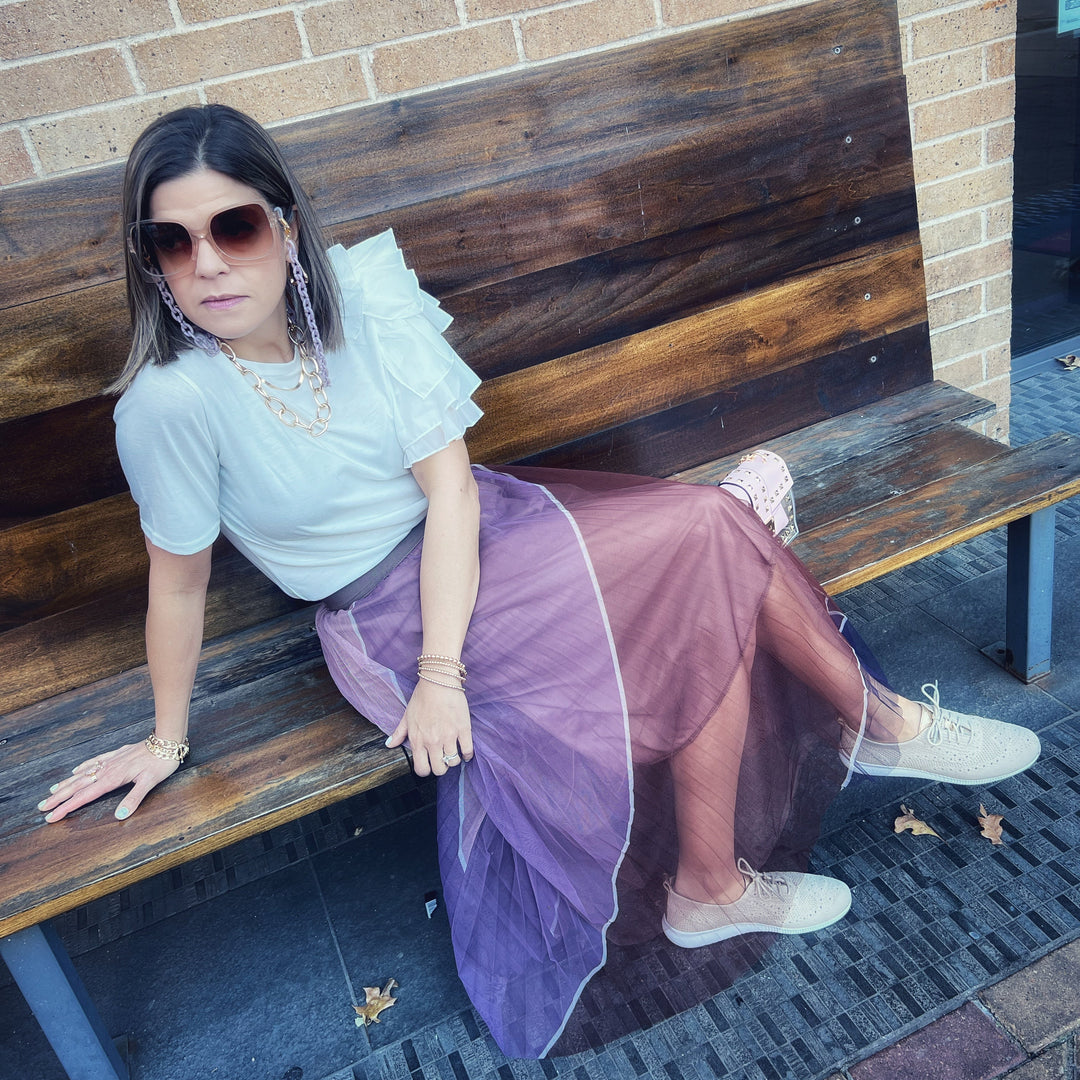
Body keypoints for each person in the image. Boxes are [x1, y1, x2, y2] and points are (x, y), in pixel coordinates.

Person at [37, 105, 1041, 1059]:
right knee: (712, 541)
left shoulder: (363, 314)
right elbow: (178, 586)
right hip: (387, 616)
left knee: (706, 550)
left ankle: (735, 858)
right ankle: (857, 739)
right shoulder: (171, 406)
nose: (210, 262)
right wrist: (171, 738)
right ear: (151, 262)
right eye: (173, 242)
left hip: (495, 533)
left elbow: (453, 495)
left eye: (235, 227)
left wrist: (448, 660)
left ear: (286, 229)